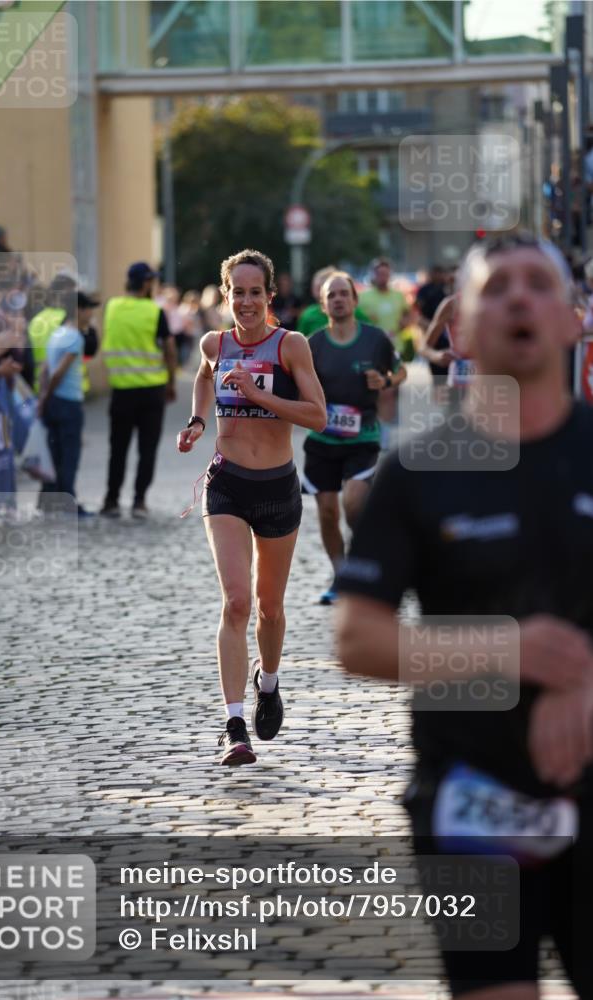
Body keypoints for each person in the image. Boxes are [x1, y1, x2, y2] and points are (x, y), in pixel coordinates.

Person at [336, 233, 593, 1000]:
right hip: (470, 798)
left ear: (572, 320)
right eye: (495, 288)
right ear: (461, 332)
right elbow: (357, 637)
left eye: (537, 284)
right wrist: (506, 650)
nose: (518, 298)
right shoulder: (416, 473)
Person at [177, 248, 326, 766]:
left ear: (269, 295)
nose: (245, 301)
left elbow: (318, 416)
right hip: (227, 485)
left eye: (254, 292)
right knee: (237, 601)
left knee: (270, 607)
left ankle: (269, 682)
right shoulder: (214, 343)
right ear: (225, 295)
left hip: (277, 488)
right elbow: (203, 376)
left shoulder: (291, 346)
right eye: (237, 292)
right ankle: (233, 725)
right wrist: (198, 422)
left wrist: (260, 396)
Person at [302, 270, 406, 605]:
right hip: (322, 440)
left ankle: (368, 562)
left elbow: (400, 371)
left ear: (354, 300)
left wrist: (385, 382)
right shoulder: (313, 344)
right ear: (323, 304)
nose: (338, 299)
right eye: (331, 295)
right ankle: (341, 576)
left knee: (354, 504)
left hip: (363, 436)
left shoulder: (375, 339)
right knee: (327, 512)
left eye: (343, 293)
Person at [100, 261, 176, 519]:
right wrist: (171, 382)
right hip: (151, 390)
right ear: (146, 283)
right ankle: (139, 501)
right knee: (147, 449)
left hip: (121, 391)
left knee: (118, 449)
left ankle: (111, 500)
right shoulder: (155, 311)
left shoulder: (112, 306)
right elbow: (169, 349)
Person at [38, 291, 100, 517]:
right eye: (88, 309)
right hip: (68, 403)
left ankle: (48, 500)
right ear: (78, 310)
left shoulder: (57, 333)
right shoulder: (75, 337)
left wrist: (43, 397)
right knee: (69, 456)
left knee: (54, 453)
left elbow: (45, 369)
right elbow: (58, 373)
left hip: (54, 402)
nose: (91, 314)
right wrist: (47, 395)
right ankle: (67, 502)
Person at [358, 258, 408, 337]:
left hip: (396, 342)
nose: (382, 277)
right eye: (379, 274)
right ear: (373, 275)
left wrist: (403, 324)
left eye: (385, 274)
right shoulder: (363, 297)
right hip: (373, 342)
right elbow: (356, 320)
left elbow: (408, 314)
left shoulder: (399, 296)